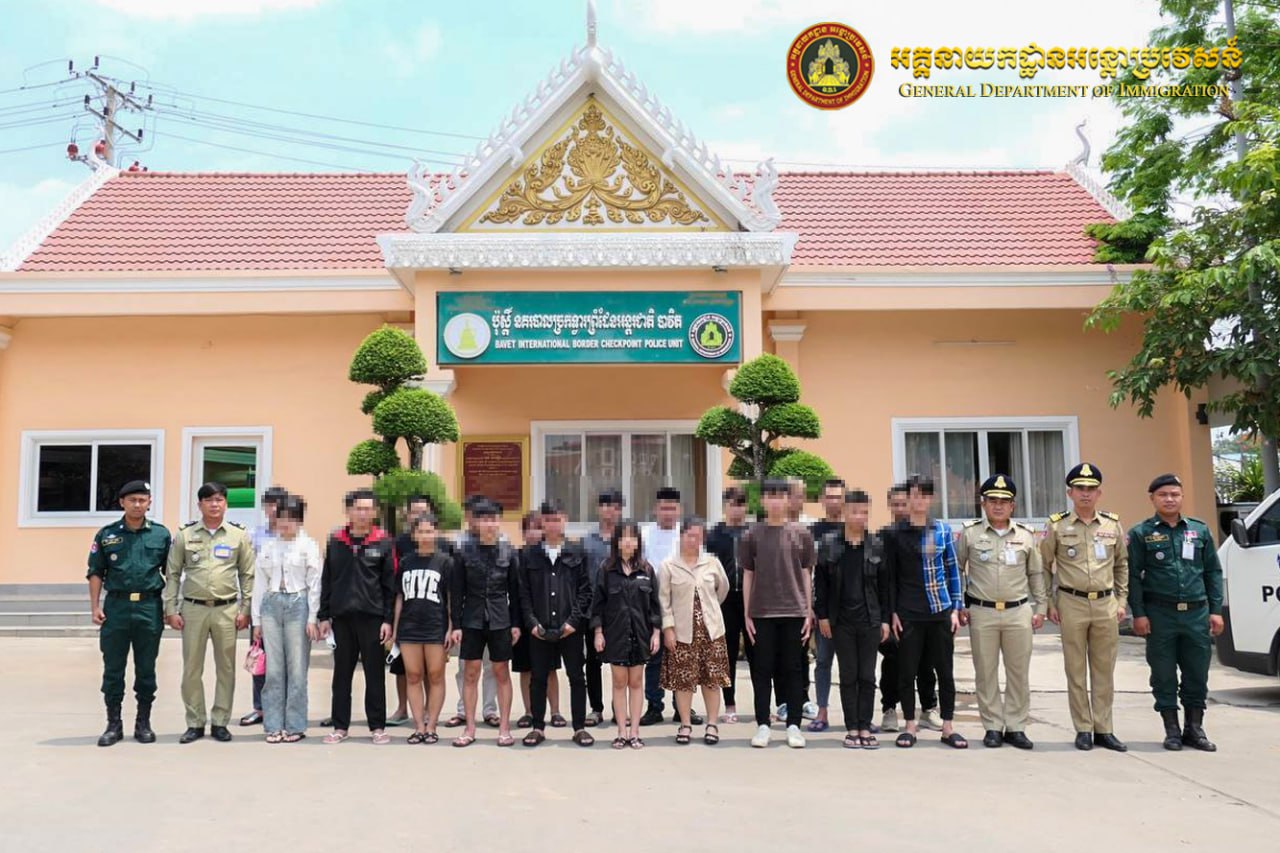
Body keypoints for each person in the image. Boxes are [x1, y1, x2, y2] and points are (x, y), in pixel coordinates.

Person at [1127, 473, 1224, 752]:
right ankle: (1171, 731)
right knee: (1163, 674)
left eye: (1174, 494)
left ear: (1181, 497)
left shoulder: (1199, 530)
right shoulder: (1141, 533)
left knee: (1197, 673)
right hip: (1160, 614)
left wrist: (1216, 610)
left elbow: (1212, 572)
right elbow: (1133, 576)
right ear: (1152, 499)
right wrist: (1139, 613)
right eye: (1163, 495)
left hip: (1196, 613)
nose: (1169, 499)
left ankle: (1195, 729)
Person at [1041, 463, 1130, 752]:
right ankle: (1083, 728)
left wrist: (1121, 601)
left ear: (1099, 493)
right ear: (1070, 493)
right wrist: (1049, 602)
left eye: (1091, 489)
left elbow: (1121, 565)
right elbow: (1044, 566)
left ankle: (1104, 728)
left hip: (1105, 604)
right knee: (1076, 669)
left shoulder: (1111, 524)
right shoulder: (1057, 525)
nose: (1086, 494)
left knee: (1104, 670)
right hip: (1071, 603)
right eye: (1080, 488)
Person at [955, 475, 1046, 750]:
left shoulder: (1026, 535)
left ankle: (1016, 726)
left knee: (1018, 673)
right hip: (981, 612)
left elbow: (1036, 573)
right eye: (992, 500)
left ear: (1013, 505)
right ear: (983, 504)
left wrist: (1041, 607)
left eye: (1004, 502)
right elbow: (957, 569)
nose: (998, 506)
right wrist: (960, 604)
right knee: (986, 672)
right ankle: (992, 726)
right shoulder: (970, 533)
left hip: (1018, 611)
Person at [164, 482, 256, 744]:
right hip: (193, 609)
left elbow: (247, 575)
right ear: (199, 504)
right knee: (192, 668)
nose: (214, 504)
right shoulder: (185, 535)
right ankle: (195, 722)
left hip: (227, 610)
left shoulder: (238, 535)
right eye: (208, 500)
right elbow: (173, 573)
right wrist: (170, 608)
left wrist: (245, 609)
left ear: (226, 504)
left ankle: (220, 722)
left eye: (219, 500)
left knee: (226, 668)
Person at [884, 476, 967, 749]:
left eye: (923, 495)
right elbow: (891, 577)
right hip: (909, 613)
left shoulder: (942, 530)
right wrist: (892, 612)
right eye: (914, 495)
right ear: (907, 499)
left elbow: (953, 570)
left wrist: (955, 608)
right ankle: (910, 726)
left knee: (944, 671)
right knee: (907, 672)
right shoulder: (896, 534)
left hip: (940, 611)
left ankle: (948, 727)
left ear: (930, 499)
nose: (918, 500)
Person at [87, 479, 171, 747]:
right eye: (132, 500)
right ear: (122, 502)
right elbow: (96, 571)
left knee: (146, 668)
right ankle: (113, 724)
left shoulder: (161, 535)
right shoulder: (107, 534)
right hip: (117, 608)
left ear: (149, 503)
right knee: (113, 668)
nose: (137, 504)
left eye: (142, 500)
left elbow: (172, 572)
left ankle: (143, 722)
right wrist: (95, 606)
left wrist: (171, 607)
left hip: (149, 607)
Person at [741, 478, 815, 749]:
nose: (774, 501)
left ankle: (794, 725)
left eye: (779, 496)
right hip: (762, 612)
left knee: (793, 669)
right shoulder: (752, 535)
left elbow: (806, 574)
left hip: (794, 611)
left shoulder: (801, 534)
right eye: (769, 496)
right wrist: (747, 613)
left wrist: (808, 611)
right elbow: (748, 575)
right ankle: (763, 724)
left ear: (787, 500)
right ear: (762, 500)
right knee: (762, 670)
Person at [318, 489, 396, 745]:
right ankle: (340, 726)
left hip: (372, 619)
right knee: (341, 675)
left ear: (375, 512)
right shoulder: (336, 541)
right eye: (358, 508)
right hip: (342, 618)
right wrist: (324, 615)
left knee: (375, 675)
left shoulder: (384, 542)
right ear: (348, 510)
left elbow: (389, 585)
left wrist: (388, 620)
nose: (363, 513)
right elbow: (327, 579)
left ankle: (377, 726)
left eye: (368, 508)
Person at [813, 489, 889, 749]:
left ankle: (865, 726)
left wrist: (885, 620)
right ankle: (852, 728)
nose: (860, 517)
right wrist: (822, 616)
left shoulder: (876, 544)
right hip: (841, 621)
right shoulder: (829, 544)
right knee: (848, 675)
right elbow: (820, 584)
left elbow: (885, 587)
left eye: (864, 512)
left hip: (870, 620)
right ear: (845, 512)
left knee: (867, 676)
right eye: (855, 512)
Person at [518, 500, 594, 747]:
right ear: (542, 522)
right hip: (539, 629)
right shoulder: (530, 555)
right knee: (538, 678)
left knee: (576, 677)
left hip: (570, 629)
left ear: (565, 521)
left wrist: (573, 621)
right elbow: (523, 594)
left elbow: (585, 591)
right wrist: (531, 623)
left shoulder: (577, 553)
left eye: (557, 519)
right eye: (548, 520)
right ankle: (537, 728)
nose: (552, 524)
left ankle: (579, 727)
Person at [449, 497, 521, 747]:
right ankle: (469, 728)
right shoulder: (463, 552)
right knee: (470, 673)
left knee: (501, 672)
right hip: (472, 619)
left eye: (493, 519)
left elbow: (516, 592)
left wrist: (516, 623)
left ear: (499, 522)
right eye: (484, 519)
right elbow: (457, 592)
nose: (489, 524)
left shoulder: (509, 552)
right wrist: (456, 625)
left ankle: (504, 728)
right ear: (475, 523)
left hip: (500, 619)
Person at [251, 494, 321, 743]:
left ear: (299, 520)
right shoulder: (268, 546)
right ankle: (273, 725)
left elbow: (315, 584)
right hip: (271, 606)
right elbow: (259, 584)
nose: (285, 523)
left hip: (298, 605)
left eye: (291, 518)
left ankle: (295, 725)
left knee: (297, 669)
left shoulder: (308, 546)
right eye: (281, 517)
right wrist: (257, 620)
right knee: (274, 670)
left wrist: (313, 617)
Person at [659, 517, 731, 746]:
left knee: (712, 680)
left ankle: (712, 724)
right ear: (681, 536)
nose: (693, 540)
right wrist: (668, 629)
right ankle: (685, 724)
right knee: (683, 681)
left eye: (698, 536)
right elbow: (664, 600)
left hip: (711, 631)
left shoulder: (712, 563)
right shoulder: (669, 565)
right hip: (682, 633)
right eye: (690, 535)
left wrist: (709, 611)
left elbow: (722, 590)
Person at [876, 481, 940, 734]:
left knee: (926, 661)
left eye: (905, 503)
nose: (902, 508)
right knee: (893, 661)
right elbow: (884, 578)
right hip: (895, 610)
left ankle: (928, 709)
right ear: (890, 506)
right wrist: (887, 613)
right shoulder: (885, 536)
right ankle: (889, 709)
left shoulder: (930, 531)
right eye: (896, 504)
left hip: (925, 610)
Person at [591, 520, 661, 749]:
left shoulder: (647, 570)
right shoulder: (606, 570)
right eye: (623, 537)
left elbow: (655, 606)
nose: (628, 542)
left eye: (632, 537)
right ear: (617, 542)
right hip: (616, 635)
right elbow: (598, 604)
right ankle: (621, 732)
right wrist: (599, 632)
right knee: (619, 682)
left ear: (638, 542)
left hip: (640, 635)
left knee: (637, 682)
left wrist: (656, 633)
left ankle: (634, 732)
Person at [393, 511, 453, 745]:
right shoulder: (406, 562)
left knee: (436, 675)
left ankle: (432, 725)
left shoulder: (445, 562)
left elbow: (450, 598)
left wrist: (451, 627)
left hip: (435, 626)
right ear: (414, 534)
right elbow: (399, 597)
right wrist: (395, 630)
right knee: (413, 675)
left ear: (436, 533)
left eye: (430, 531)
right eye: (421, 531)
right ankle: (418, 726)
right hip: (409, 627)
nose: (426, 535)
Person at [444, 496, 499, 728]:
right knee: (465, 667)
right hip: (468, 616)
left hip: (493, 616)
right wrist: (454, 622)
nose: (477, 520)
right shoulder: (458, 544)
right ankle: (463, 711)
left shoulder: (500, 542)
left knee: (491, 666)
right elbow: (455, 586)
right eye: (473, 514)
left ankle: (489, 710)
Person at [241, 485, 290, 727]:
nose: (273, 510)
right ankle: (259, 708)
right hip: (261, 605)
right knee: (260, 657)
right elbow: (246, 571)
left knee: (286, 659)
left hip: (289, 606)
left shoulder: (293, 535)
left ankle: (284, 708)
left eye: (277, 505)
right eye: (269, 505)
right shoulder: (254, 535)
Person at [388, 493, 438, 728]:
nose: (419, 515)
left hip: (432, 616)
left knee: (430, 669)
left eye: (423, 511)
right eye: (415, 512)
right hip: (406, 613)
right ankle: (402, 708)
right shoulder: (398, 543)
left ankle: (428, 710)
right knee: (403, 667)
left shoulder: (442, 545)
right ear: (407, 515)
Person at [639, 486, 688, 726]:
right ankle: (654, 706)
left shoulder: (686, 534)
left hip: (681, 604)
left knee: (681, 657)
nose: (667, 513)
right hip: (652, 603)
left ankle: (682, 707)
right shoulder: (644, 534)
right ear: (655, 509)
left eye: (672, 508)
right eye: (663, 508)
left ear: (679, 510)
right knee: (655, 657)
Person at [512, 511, 564, 728]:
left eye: (537, 528)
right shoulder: (517, 557)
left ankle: (555, 711)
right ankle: (529, 711)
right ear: (523, 533)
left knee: (549, 668)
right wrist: (516, 623)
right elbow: (515, 592)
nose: (533, 533)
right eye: (529, 529)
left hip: (546, 620)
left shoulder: (548, 555)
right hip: (523, 621)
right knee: (526, 669)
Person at [706, 485, 751, 723]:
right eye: (732, 504)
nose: (736, 509)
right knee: (727, 654)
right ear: (725, 506)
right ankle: (730, 704)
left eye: (741, 504)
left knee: (758, 654)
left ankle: (763, 705)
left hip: (751, 600)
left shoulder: (753, 532)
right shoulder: (715, 534)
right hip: (724, 601)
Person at [805, 478, 845, 732]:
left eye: (838, 497)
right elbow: (806, 571)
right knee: (822, 662)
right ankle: (822, 712)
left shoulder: (855, 529)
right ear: (822, 500)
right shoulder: (813, 532)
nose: (833, 501)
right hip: (823, 611)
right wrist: (810, 607)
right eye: (829, 497)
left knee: (855, 666)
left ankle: (857, 715)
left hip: (851, 611)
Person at [582, 489, 623, 726]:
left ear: (620, 510)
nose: (609, 510)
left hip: (621, 611)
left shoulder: (626, 539)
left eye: (615, 506)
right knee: (593, 662)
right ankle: (596, 708)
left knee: (622, 662)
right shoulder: (588, 541)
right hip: (593, 610)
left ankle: (621, 709)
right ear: (599, 509)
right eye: (605, 505)